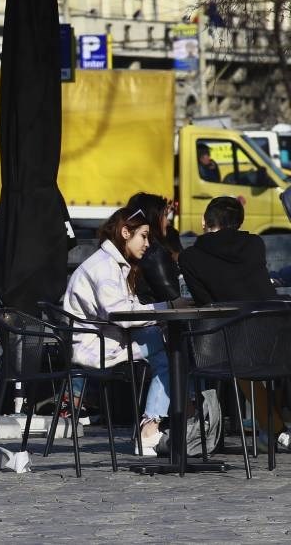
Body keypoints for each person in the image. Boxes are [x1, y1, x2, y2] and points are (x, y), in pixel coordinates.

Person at [62, 207, 179, 455]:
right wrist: (166, 308)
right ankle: (153, 428)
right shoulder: (104, 267)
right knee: (171, 349)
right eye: (144, 236)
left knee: (165, 345)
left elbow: (125, 312)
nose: (147, 243)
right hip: (95, 347)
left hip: (103, 338)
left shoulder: (112, 263)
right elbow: (122, 315)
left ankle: (153, 426)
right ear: (126, 232)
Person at [178, 196, 289, 452]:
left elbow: (205, 304)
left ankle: (276, 429)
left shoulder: (191, 257)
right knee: (259, 363)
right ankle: (275, 428)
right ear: (240, 222)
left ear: (204, 221)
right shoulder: (254, 244)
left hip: (230, 343)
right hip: (276, 336)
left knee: (238, 359)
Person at [126, 192, 182, 305]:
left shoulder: (131, 249)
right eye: (165, 215)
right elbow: (174, 299)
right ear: (153, 219)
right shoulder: (154, 253)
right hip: (158, 318)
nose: (168, 222)